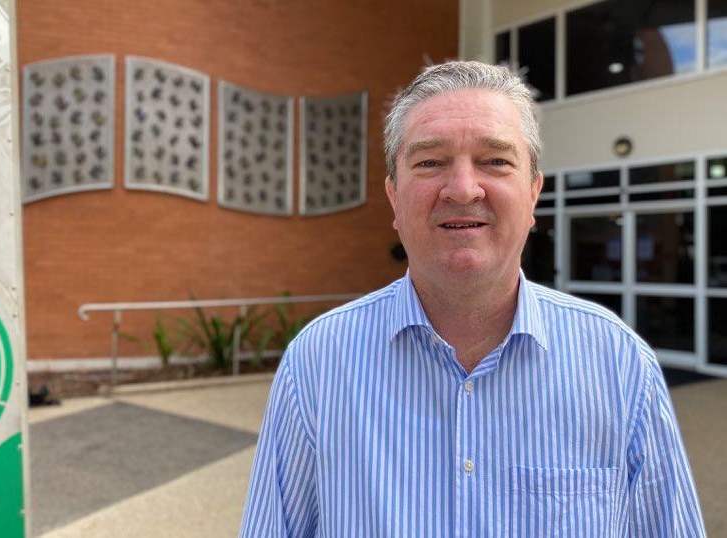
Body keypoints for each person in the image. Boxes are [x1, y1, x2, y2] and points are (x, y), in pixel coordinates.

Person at [239, 61, 705, 537]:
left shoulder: (620, 363)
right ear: (394, 198)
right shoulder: (318, 363)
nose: (463, 189)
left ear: (533, 193)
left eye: (495, 160)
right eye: (430, 162)